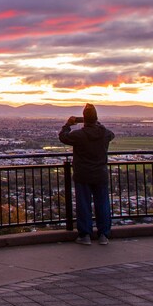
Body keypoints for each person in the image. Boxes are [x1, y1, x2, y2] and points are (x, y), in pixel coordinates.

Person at [58, 103, 115, 246]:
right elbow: (111, 135)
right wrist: (98, 124)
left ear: (84, 118)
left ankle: (85, 235)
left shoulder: (79, 135)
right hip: (100, 174)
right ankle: (104, 235)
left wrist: (68, 124)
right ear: (96, 118)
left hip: (82, 174)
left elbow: (63, 137)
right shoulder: (105, 133)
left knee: (83, 205)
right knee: (102, 204)